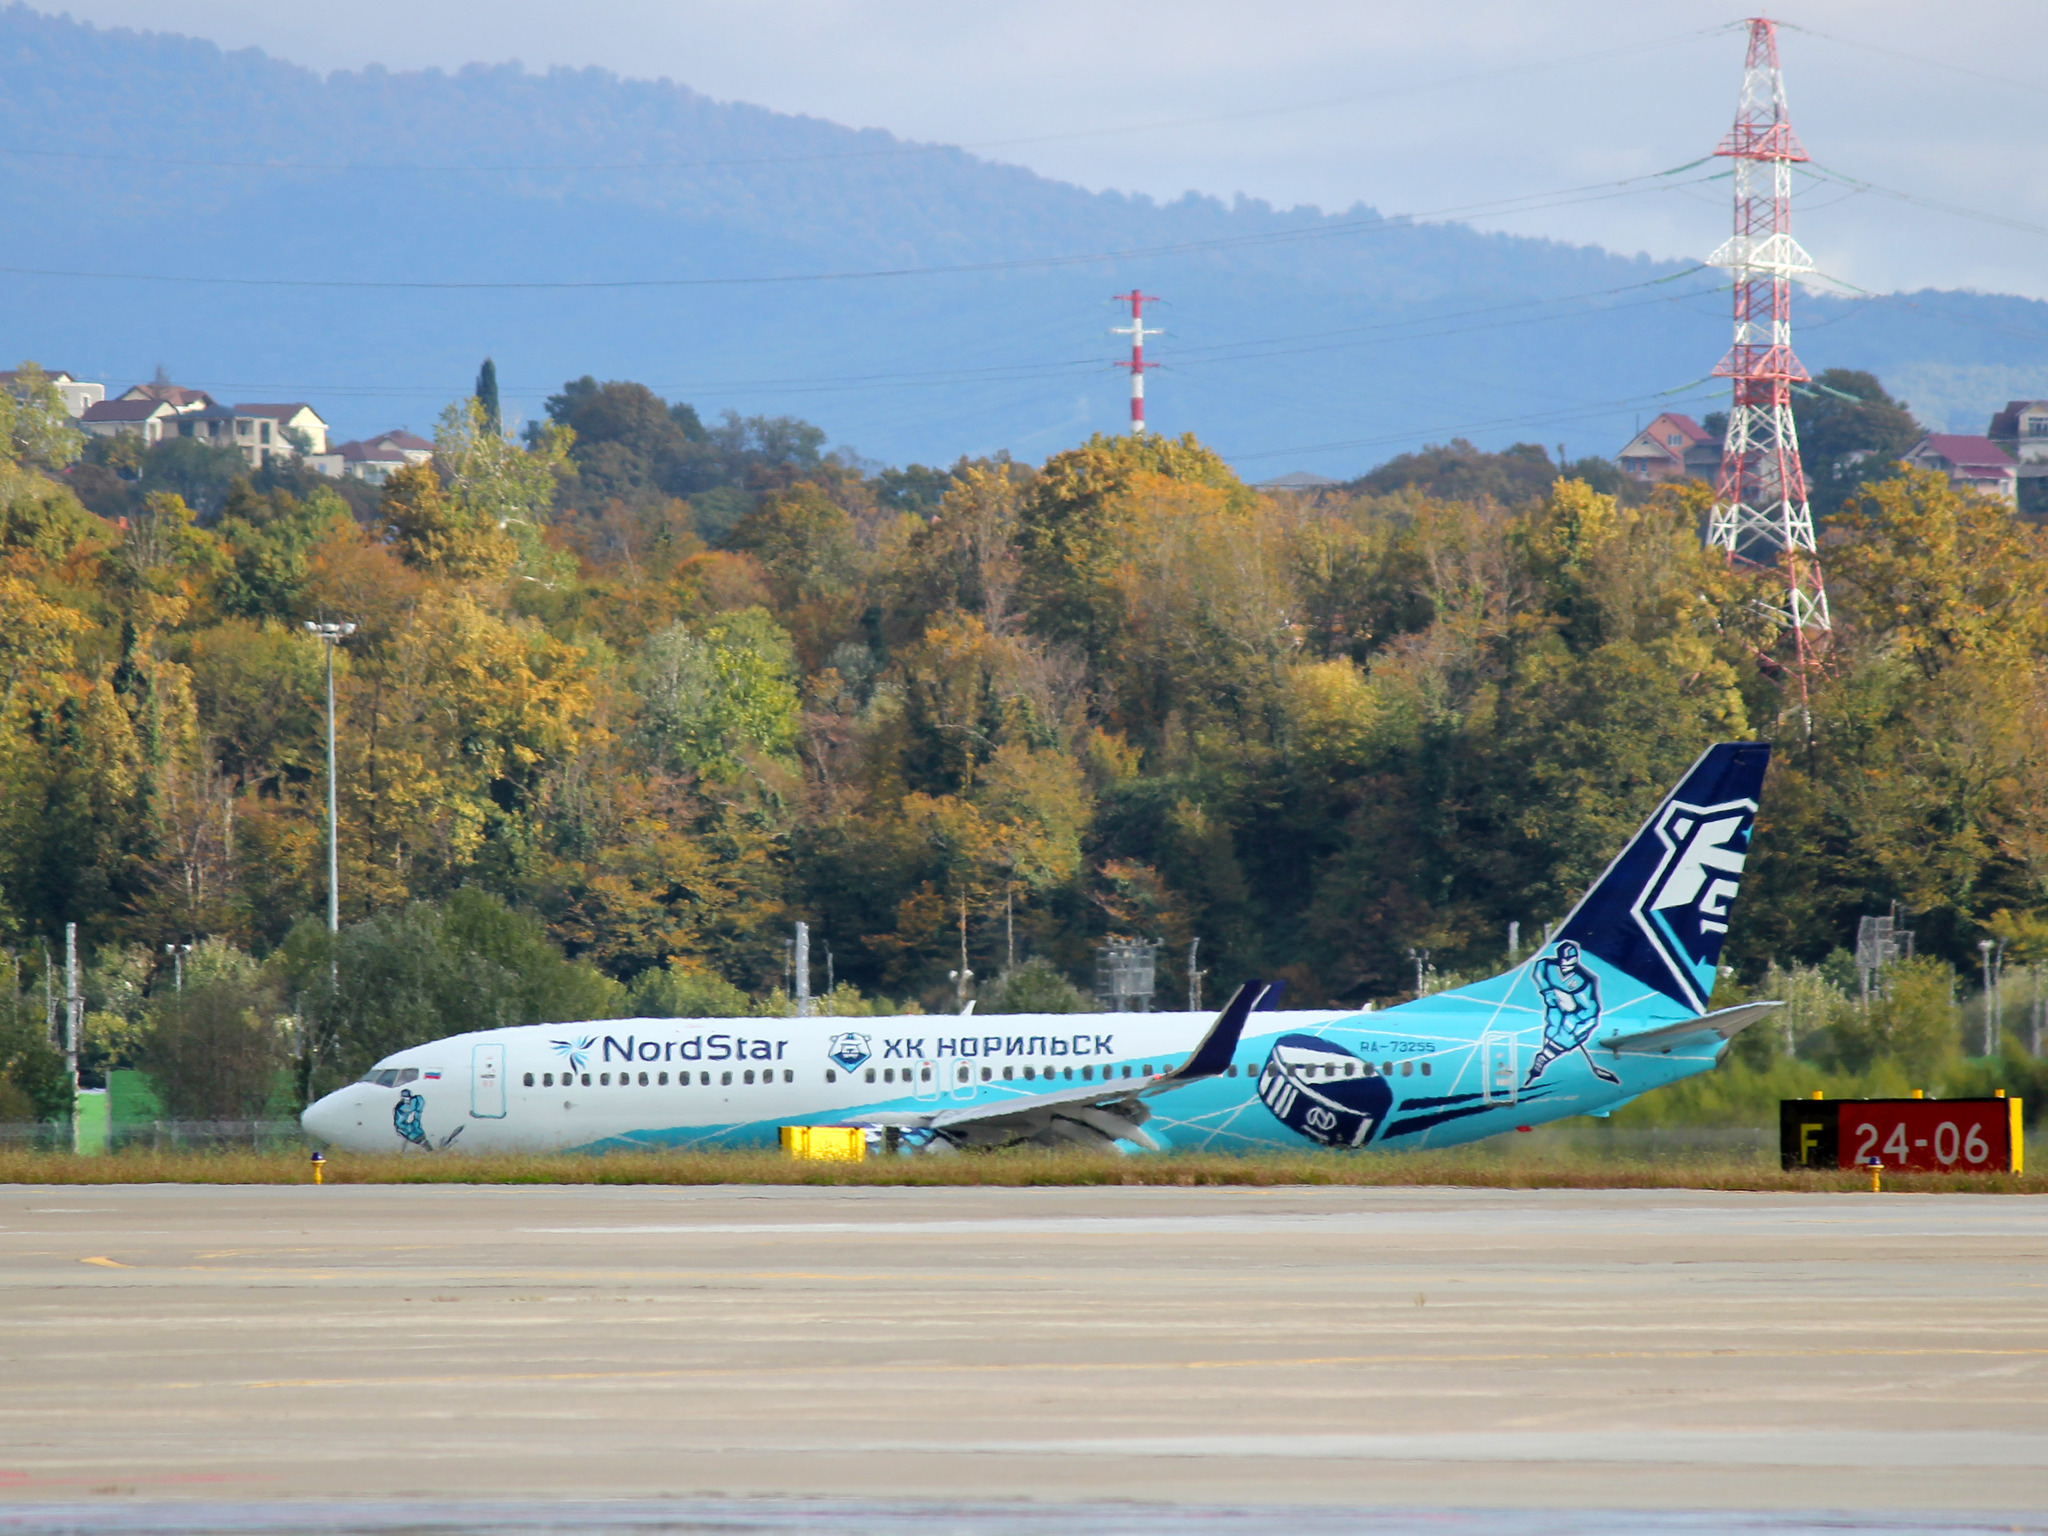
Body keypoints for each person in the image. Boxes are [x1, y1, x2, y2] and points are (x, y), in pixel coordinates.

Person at [1525, 941, 1619, 1086]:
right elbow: (1539, 971)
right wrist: (1549, 994)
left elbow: (1588, 1009)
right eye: (1563, 958)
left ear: (1575, 959)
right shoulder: (1548, 966)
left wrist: (1571, 1009)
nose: (1565, 962)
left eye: (1569, 959)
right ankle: (1545, 1054)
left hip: (1583, 1016)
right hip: (1557, 1006)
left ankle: (1542, 1060)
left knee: (1565, 1034)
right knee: (1552, 1028)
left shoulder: (1583, 981)